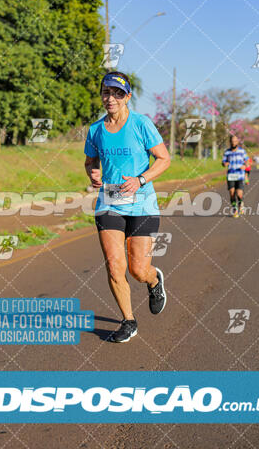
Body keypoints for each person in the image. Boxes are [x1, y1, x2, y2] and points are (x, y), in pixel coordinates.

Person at [84, 71, 171, 343]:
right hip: (109, 203)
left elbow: (164, 159)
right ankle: (128, 321)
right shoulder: (96, 130)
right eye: (106, 92)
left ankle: (154, 280)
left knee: (137, 270)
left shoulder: (141, 124)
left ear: (127, 97)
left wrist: (140, 179)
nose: (111, 98)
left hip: (142, 205)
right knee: (113, 266)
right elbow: (90, 162)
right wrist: (93, 174)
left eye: (117, 93)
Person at [222, 134, 249, 218]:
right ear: (230, 142)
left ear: (237, 142)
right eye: (232, 141)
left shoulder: (242, 151)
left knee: (239, 194)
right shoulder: (227, 152)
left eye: (235, 141)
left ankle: (241, 203)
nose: (234, 143)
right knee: (232, 193)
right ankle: (234, 209)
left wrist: (245, 166)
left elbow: (247, 161)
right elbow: (223, 162)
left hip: (240, 175)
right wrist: (224, 163)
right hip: (231, 175)